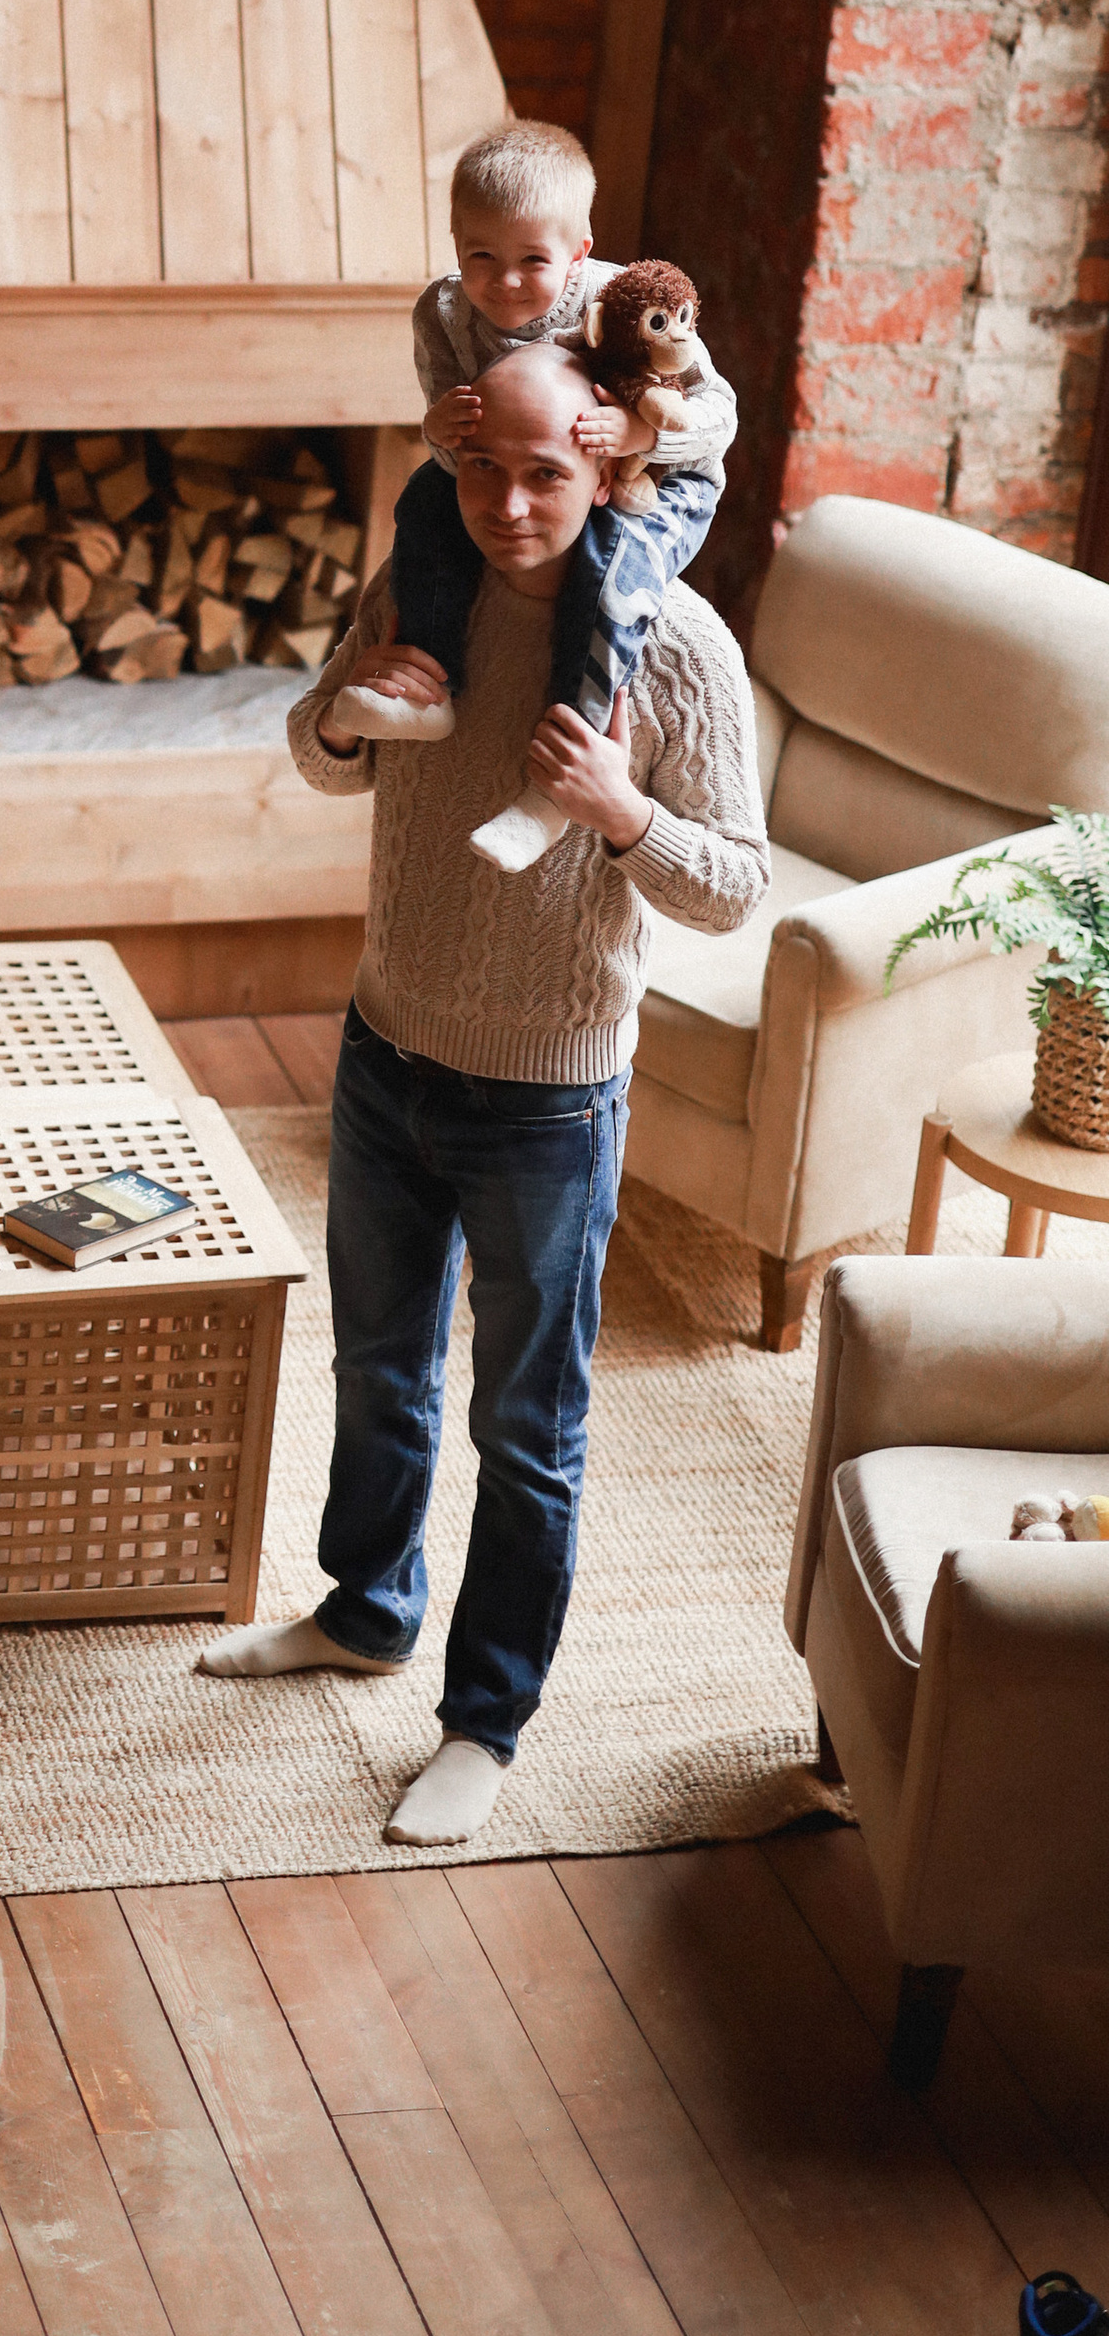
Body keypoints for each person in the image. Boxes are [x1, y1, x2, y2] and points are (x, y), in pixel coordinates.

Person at [197, 341, 767, 1849]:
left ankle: (484, 1722)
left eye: (547, 476)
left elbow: (736, 890)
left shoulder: (676, 646)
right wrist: (346, 711)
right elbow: (328, 760)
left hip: (550, 1104)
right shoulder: (425, 588)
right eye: (482, 471)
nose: (511, 506)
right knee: (380, 1375)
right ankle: (366, 1610)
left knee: (530, 1429)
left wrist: (624, 814)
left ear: (610, 468)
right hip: (388, 1053)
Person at [336, 121, 738, 875]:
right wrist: (439, 430)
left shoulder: (627, 306)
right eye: (479, 257)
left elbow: (720, 417)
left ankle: (562, 773)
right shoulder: (445, 314)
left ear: (579, 252)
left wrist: (638, 437)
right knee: (422, 507)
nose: (505, 282)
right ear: (454, 244)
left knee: (607, 571)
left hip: (659, 480)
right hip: (524, 470)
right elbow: (452, 434)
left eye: (532, 262)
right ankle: (427, 681)